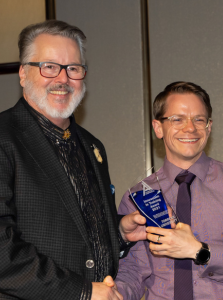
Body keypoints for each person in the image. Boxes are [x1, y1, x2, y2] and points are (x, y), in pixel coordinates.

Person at [0, 20, 146, 300]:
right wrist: (81, 292)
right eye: (49, 66)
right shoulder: (4, 138)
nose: (63, 79)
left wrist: (118, 232)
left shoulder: (92, 146)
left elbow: (75, 228)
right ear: (22, 73)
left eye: (73, 69)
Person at [115, 81, 223, 300]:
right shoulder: (137, 197)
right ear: (158, 128)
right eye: (177, 119)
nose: (190, 128)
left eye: (199, 120)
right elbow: (133, 273)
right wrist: (113, 294)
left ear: (209, 127)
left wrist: (200, 251)